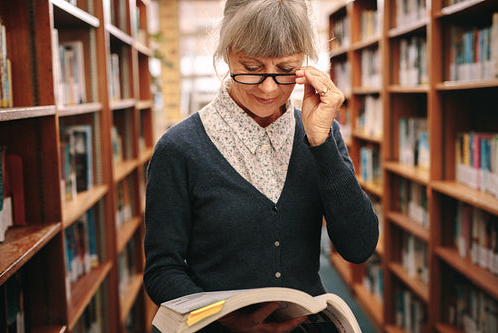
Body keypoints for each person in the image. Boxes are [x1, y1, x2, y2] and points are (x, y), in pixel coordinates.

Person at [144, 0, 379, 332]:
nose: (268, 88)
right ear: (227, 54)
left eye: (285, 70)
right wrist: (226, 320)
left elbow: (359, 247)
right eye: (251, 67)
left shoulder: (320, 134)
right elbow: (162, 271)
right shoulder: (179, 147)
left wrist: (322, 145)